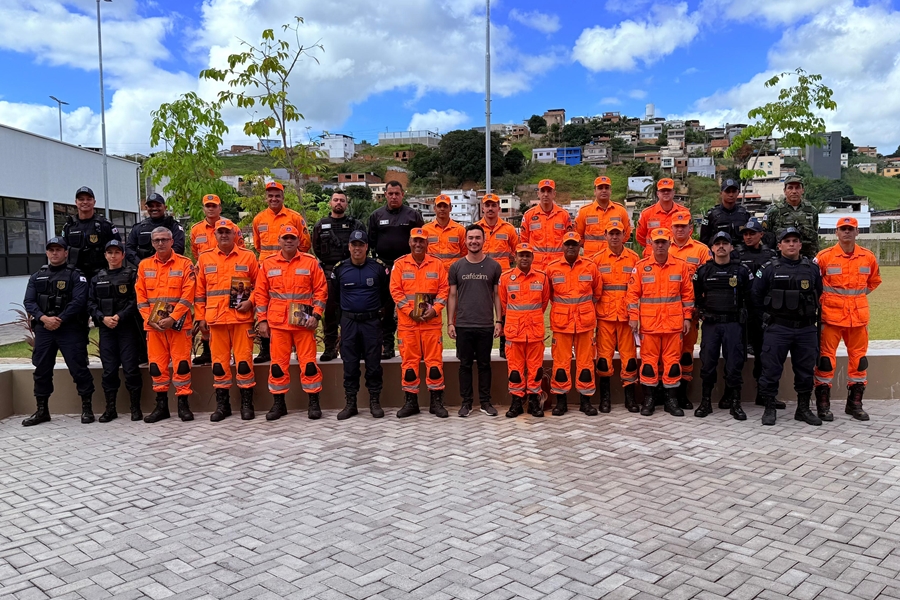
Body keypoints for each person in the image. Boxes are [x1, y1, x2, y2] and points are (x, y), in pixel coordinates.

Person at [254, 224, 327, 420]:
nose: (288, 241)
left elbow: (321, 291)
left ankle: (313, 402)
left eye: (292, 238)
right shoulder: (268, 264)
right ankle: (279, 404)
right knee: (277, 366)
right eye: (285, 238)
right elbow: (260, 295)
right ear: (279, 241)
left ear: (298, 241)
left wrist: (317, 315)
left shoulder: (310, 262)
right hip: (278, 324)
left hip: (304, 322)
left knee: (309, 364)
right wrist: (262, 321)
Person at [751, 227, 823, 426]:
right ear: (779, 245)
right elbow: (755, 296)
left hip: (806, 328)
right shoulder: (768, 269)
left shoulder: (812, 269)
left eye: (795, 240)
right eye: (787, 241)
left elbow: (818, 292)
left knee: (806, 370)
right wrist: (766, 319)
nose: (791, 244)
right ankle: (769, 408)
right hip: (778, 327)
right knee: (771, 369)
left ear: (800, 244)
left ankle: (803, 409)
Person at [813, 216, 881, 421]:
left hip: (858, 320)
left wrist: (855, 299)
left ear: (857, 232)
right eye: (843, 229)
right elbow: (814, 283)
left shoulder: (867, 257)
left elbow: (874, 281)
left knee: (859, 362)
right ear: (836, 232)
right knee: (825, 362)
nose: (847, 232)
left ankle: (855, 404)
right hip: (830, 318)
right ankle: (823, 405)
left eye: (851, 229)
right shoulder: (824, 257)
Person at [22, 237, 94, 426]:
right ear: (47, 253)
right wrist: (44, 318)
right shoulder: (37, 276)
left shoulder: (76, 275)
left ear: (65, 253)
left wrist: (59, 319)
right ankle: (42, 410)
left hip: (69, 328)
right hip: (45, 328)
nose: (54, 253)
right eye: (51, 250)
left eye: (58, 249)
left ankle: (87, 408)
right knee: (42, 370)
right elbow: (29, 302)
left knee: (78, 368)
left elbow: (79, 301)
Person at [195, 219, 260, 422]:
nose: (224, 235)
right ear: (214, 235)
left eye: (228, 232)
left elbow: (260, 286)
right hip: (216, 319)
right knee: (219, 365)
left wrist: (250, 302)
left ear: (235, 234)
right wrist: (200, 317)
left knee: (244, 363)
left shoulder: (248, 257)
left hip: (241, 319)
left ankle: (247, 404)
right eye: (220, 232)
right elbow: (199, 292)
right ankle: (223, 406)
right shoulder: (205, 259)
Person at [625, 227, 694, 417]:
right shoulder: (641, 267)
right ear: (651, 244)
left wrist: (687, 317)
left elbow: (688, 295)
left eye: (664, 242)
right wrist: (633, 318)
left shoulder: (680, 266)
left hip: (673, 325)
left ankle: (671, 400)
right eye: (657, 242)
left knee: (672, 363)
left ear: (670, 243)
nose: (661, 245)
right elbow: (631, 295)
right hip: (649, 326)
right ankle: (649, 399)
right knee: (648, 363)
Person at [136, 227, 197, 423]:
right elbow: (141, 297)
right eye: (156, 240)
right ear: (152, 243)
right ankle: (161, 406)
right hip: (154, 328)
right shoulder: (144, 266)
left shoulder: (185, 264)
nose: (160, 243)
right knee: (156, 367)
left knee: (182, 365)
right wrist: (150, 319)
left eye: (164, 239)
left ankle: (183, 405)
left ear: (172, 241)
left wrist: (173, 317)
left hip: (179, 326)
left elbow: (188, 295)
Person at [330, 230, 391, 420]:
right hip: (349, 323)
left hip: (371, 322)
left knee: (374, 364)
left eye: (361, 245)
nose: (357, 248)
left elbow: (386, 296)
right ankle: (351, 403)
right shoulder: (340, 269)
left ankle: (375, 401)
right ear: (349, 247)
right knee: (350, 364)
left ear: (367, 247)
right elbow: (334, 299)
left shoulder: (378, 268)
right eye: (354, 245)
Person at [389, 228, 449, 418]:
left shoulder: (437, 265)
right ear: (409, 243)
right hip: (408, 324)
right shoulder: (399, 265)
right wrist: (409, 312)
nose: (418, 244)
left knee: (434, 365)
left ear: (427, 243)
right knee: (409, 365)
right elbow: (395, 292)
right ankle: (410, 402)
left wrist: (435, 309)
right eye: (415, 241)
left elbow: (444, 290)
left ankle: (436, 402)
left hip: (431, 323)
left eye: (422, 241)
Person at [692, 232, 752, 420]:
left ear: (731, 247)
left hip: (733, 324)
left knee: (734, 364)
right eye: (717, 243)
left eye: (725, 243)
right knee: (708, 363)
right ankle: (706, 401)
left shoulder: (741, 270)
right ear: (711, 248)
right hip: (711, 325)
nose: (721, 246)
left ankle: (735, 403)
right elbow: (694, 296)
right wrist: (701, 312)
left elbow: (751, 296)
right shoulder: (703, 271)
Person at [251, 181, 311, 364]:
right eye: (270, 195)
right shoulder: (258, 219)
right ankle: (265, 348)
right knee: (264, 308)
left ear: (283, 197)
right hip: (267, 271)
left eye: (277, 195)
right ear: (266, 198)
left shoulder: (294, 217)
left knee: (296, 302)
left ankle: (301, 349)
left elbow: (305, 243)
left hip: (293, 268)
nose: (274, 198)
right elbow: (258, 245)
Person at [448, 224, 503, 417]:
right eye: (470, 238)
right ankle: (466, 403)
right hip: (463, 324)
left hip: (485, 324)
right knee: (464, 365)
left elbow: (497, 295)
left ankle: (485, 402)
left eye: (477, 238)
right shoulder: (456, 267)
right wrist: (450, 322)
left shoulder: (494, 266)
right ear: (465, 241)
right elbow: (452, 296)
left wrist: (499, 321)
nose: (474, 241)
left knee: (484, 364)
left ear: (483, 240)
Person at [546, 231, 602, 416]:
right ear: (562, 246)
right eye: (568, 244)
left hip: (585, 324)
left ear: (580, 246)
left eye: (574, 244)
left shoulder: (591, 267)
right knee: (560, 364)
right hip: (562, 324)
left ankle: (585, 402)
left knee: (586, 364)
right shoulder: (552, 268)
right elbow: (549, 295)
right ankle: (561, 402)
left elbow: (597, 293)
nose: (571, 247)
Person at [87, 240, 143, 422]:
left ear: (123, 255)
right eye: (109, 252)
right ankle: (110, 409)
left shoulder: (132, 275)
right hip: (106, 329)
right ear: (105, 255)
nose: (113, 256)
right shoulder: (97, 278)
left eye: (117, 252)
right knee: (109, 371)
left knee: (130, 369)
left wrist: (119, 316)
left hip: (126, 328)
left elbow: (136, 300)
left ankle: (136, 408)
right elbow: (90, 302)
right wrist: (102, 318)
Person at [368, 181, 425, 359]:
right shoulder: (376, 216)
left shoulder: (413, 215)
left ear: (403, 194)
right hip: (384, 267)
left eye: (397, 193)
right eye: (390, 193)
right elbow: (371, 243)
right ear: (385, 194)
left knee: (415, 305)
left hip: (409, 267)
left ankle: (418, 346)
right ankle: (387, 345)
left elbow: (421, 241)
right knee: (386, 307)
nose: (394, 196)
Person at [189, 193, 245, 366]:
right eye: (208, 206)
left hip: (232, 275)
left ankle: (239, 353)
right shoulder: (196, 229)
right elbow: (195, 253)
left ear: (220, 208)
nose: (211, 209)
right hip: (208, 276)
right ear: (204, 208)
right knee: (208, 316)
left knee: (237, 319)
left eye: (214, 206)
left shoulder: (233, 227)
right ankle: (207, 351)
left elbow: (241, 250)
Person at [312, 190, 366, 362]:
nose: (339, 203)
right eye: (335, 200)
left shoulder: (355, 225)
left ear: (346, 204)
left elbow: (364, 247)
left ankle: (352, 347)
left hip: (351, 272)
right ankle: (330, 348)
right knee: (329, 312)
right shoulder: (321, 225)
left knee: (354, 310)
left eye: (342, 200)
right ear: (330, 203)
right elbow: (316, 248)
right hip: (328, 273)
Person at [592, 222, 641, 413]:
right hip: (604, 318)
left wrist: (635, 316)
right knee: (603, 360)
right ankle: (605, 399)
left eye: (618, 233)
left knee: (629, 359)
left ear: (624, 235)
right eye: (611, 233)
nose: (614, 237)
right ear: (605, 235)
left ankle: (630, 398)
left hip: (627, 319)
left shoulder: (634, 259)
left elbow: (637, 291)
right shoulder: (596, 260)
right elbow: (594, 292)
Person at [731, 219, 779, 408]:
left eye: (752, 233)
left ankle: (764, 394)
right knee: (735, 353)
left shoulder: (771, 255)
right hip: (742, 309)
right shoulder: (736, 254)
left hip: (763, 312)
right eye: (745, 234)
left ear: (761, 235)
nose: (748, 237)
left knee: (763, 354)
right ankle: (732, 393)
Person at [499, 243, 550, 417]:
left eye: (528, 255)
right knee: (514, 371)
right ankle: (516, 402)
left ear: (532, 257)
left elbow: (543, 303)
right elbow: (504, 304)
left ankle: (534, 402)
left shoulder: (542, 278)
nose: (525, 258)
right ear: (515, 257)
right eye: (521, 255)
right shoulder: (506, 278)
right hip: (514, 333)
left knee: (536, 370)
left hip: (535, 333)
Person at [667, 211, 711, 408]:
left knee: (685, 353)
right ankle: (666, 392)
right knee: (666, 354)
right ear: (671, 229)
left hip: (689, 313)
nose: (679, 229)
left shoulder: (701, 251)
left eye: (683, 226)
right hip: (665, 314)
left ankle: (682, 394)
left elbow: (707, 281)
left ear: (690, 229)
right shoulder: (663, 248)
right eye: (676, 226)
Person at [476, 193, 518, 357]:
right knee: (481, 310)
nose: (491, 208)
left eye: (494, 205)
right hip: (481, 276)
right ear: (482, 208)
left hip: (504, 278)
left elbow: (518, 251)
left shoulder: (508, 229)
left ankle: (504, 346)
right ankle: (480, 346)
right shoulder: (476, 228)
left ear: (499, 208)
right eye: (487, 205)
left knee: (506, 312)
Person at [62, 186, 122, 282]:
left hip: (101, 274)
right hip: (76, 275)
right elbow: (63, 250)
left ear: (94, 202)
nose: (85, 202)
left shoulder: (104, 224)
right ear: (76, 202)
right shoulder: (69, 226)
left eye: (89, 199)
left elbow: (118, 248)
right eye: (81, 199)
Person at [520, 179, 573, 272]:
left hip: (559, 266)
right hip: (536, 267)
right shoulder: (529, 215)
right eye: (543, 191)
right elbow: (523, 243)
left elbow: (570, 242)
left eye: (549, 191)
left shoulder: (564, 215)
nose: (545, 194)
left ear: (554, 194)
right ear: (538, 194)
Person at [763, 175, 819, 258]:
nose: (794, 191)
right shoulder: (773, 211)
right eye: (790, 188)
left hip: (807, 259)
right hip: (781, 260)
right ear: (785, 191)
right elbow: (765, 237)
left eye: (797, 188)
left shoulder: (811, 211)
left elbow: (815, 236)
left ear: (802, 190)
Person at [575, 175, 632, 257]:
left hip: (614, 257)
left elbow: (626, 234)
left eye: (606, 188)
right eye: (600, 188)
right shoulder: (584, 211)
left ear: (610, 191)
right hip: (591, 258)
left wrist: (616, 246)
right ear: (595, 191)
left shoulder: (620, 210)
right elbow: (578, 235)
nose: (604, 190)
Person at [126, 193, 186, 265]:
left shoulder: (173, 226)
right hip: (145, 270)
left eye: (158, 205)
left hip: (168, 268)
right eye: (151, 206)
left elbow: (178, 248)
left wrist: (162, 264)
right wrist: (141, 264)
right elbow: (129, 249)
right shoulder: (138, 228)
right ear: (146, 208)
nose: (154, 208)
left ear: (165, 207)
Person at [636, 178, 684, 257]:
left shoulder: (683, 212)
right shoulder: (647, 213)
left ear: (673, 192)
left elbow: (687, 233)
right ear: (658, 193)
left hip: (676, 257)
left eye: (668, 190)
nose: (666, 192)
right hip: (652, 257)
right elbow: (640, 236)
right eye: (663, 190)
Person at [699, 179, 750, 246]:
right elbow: (703, 241)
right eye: (727, 192)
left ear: (738, 193)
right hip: (719, 254)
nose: (731, 194)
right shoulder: (711, 215)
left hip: (741, 254)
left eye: (733, 191)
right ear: (721, 193)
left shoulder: (745, 214)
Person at [423, 194, 467, 271]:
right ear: (434, 208)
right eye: (439, 206)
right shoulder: (426, 229)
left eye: (445, 206)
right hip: (433, 272)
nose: (442, 209)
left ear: (450, 208)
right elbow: (423, 252)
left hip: (453, 274)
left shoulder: (460, 230)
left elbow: (465, 253)